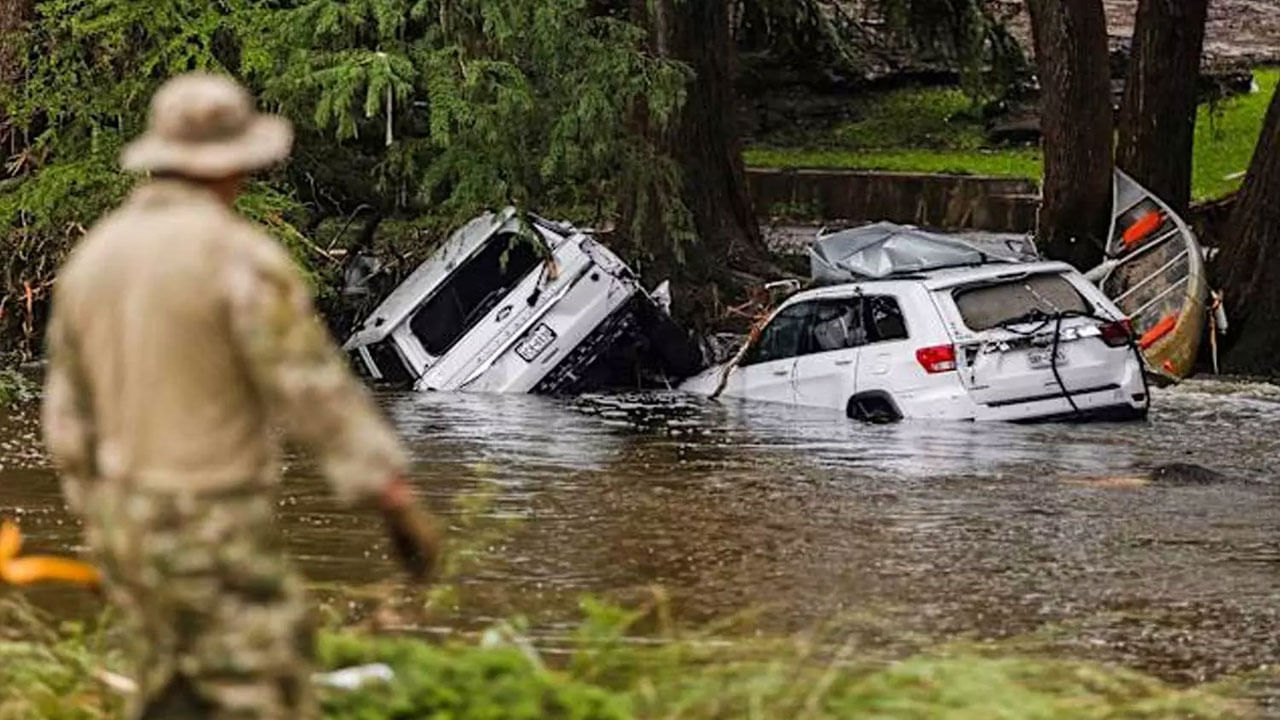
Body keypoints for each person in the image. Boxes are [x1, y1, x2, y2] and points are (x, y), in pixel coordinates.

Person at [41, 73, 441, 719]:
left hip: (122, 522)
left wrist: (100, 510)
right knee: (260, 691)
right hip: (213, 519)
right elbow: (312, 389)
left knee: (169, 691)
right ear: (237, 165)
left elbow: (64, 419)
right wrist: (389, 493)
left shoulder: (95, 258)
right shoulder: (238, 257)